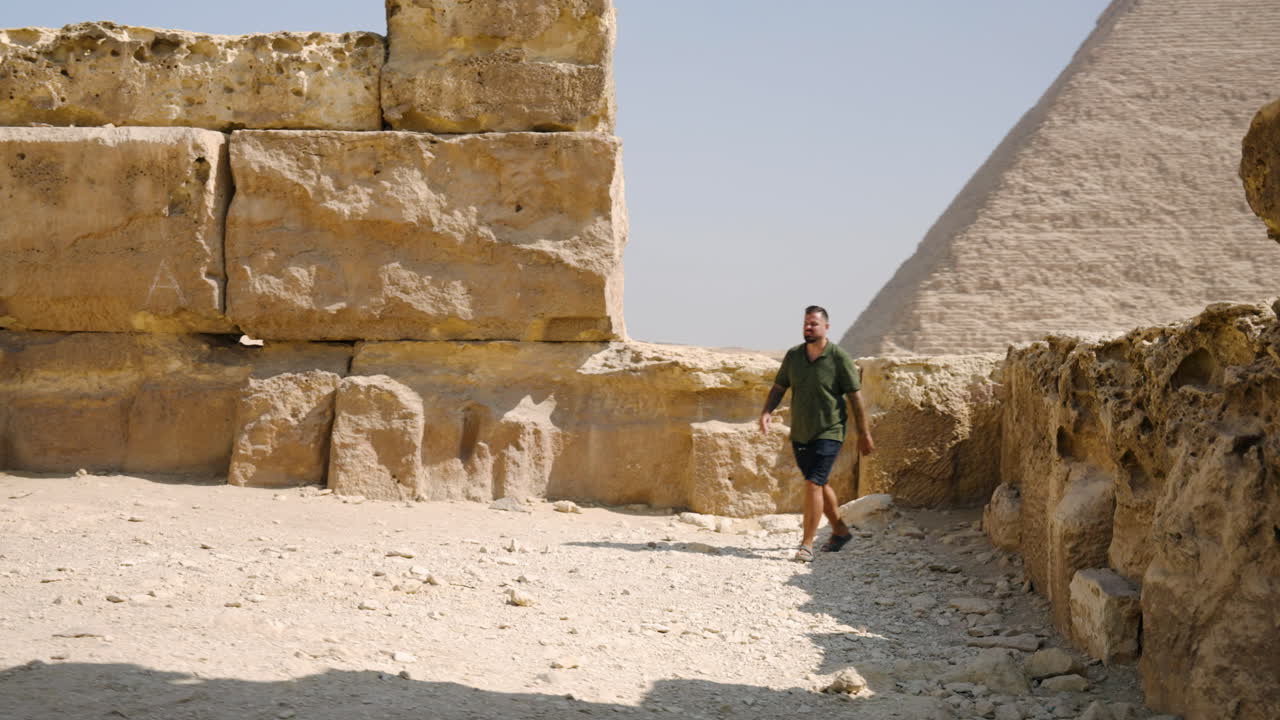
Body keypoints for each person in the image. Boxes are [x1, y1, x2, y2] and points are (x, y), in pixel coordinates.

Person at [759, 305, 875, 563]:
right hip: (801, 431)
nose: (808, 327)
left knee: (813, 482)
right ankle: (841, 531)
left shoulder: (838, 358)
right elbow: (779, 386)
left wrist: (864, 433)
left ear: (826, 327)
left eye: (813, 323)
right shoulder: (793, 356)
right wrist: (767, 411)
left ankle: (807, 544)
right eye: (806, 323)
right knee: (819, 482)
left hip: (830, 430)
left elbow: (855, 397)